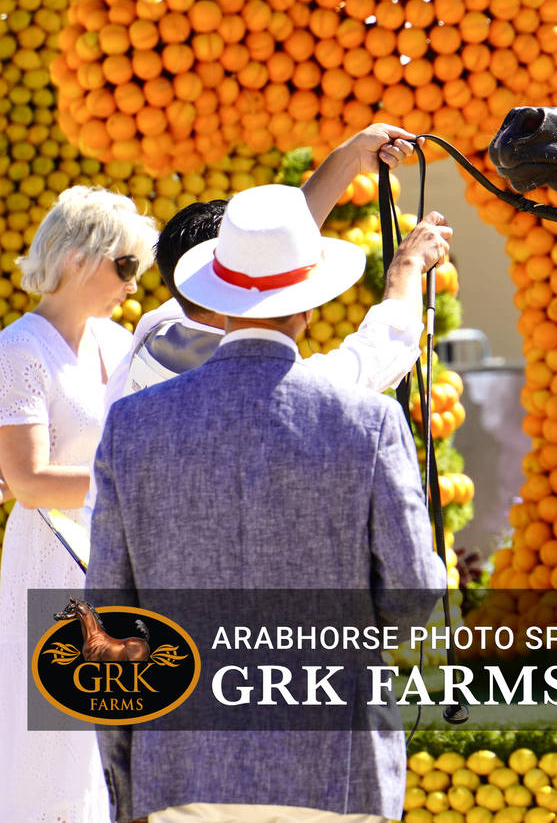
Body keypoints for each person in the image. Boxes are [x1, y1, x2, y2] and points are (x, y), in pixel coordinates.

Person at [88, 183, 445, 822]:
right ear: (309, 306)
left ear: (220, 300)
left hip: (181, 764)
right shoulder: (368, 421)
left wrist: (126, 782)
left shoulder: (134, 425)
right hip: (333, 761)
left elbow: (108, 619)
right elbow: (414, 590)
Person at [0, 185, 157, 823]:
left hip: (119, 560)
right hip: (50, 561)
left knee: (113, 746)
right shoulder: (18, 349)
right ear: (77, 258)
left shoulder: (120, 345)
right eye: (126, 264)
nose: (133, 282)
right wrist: (132, 480)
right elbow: (28, 480)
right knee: (54, 749)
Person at [106, 124, 452, 402]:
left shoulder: (156, 328)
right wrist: (406, 266)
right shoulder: (281, 386)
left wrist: (349, 158)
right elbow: (381, 351)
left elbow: (276, 249)